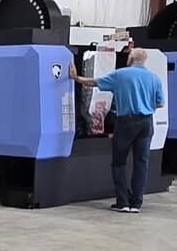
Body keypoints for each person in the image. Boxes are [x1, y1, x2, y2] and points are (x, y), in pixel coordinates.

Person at [69, 50, 164, 214]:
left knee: (119, 162)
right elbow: (160, 104)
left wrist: (76, 78)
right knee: (141, 163)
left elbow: (94, 83)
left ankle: (123, 202)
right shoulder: (154, 78)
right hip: (146, 122)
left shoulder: (121, 75)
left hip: (126, 122)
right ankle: (136, 203)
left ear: (131, 58)